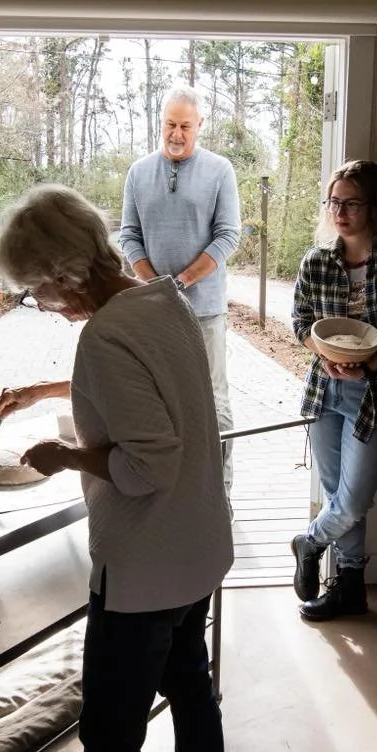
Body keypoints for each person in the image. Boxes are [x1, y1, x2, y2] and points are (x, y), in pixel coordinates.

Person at [0, 184, 234, 752]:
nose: (42, 303)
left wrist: (67, 457)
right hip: (198, 548)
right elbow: (150, 394)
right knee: (191, 686)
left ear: (61, 276)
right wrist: (56, 394)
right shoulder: (159, 300)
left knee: (110, 739)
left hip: (145, 565)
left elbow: (146, 461)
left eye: (37, 289)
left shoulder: (101, 336)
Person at [290, 159, 377, 622]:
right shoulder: (317, 260)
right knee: (336, 495)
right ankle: (351, 589)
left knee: (353, 500)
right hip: (325, 393)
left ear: (374, 205)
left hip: (376, 395)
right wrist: (327, 356)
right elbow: (301, 324)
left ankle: (308, 542)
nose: (340, 211)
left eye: (351, 202)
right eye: (334, 201)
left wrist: (365, 366)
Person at [118, 85, 241, 497]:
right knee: (159, 404)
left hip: (204, 311)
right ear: (161, 122)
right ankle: (175, 496)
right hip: (153, 311)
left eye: (185, 126)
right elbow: (129, 236)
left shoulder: (220, 170)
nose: (176, 133)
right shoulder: (138, 173)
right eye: (170, 124)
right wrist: (156, 286)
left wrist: (182, 282)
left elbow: (228, 236)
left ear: (200, 125)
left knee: (213, 405)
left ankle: (220, 496)